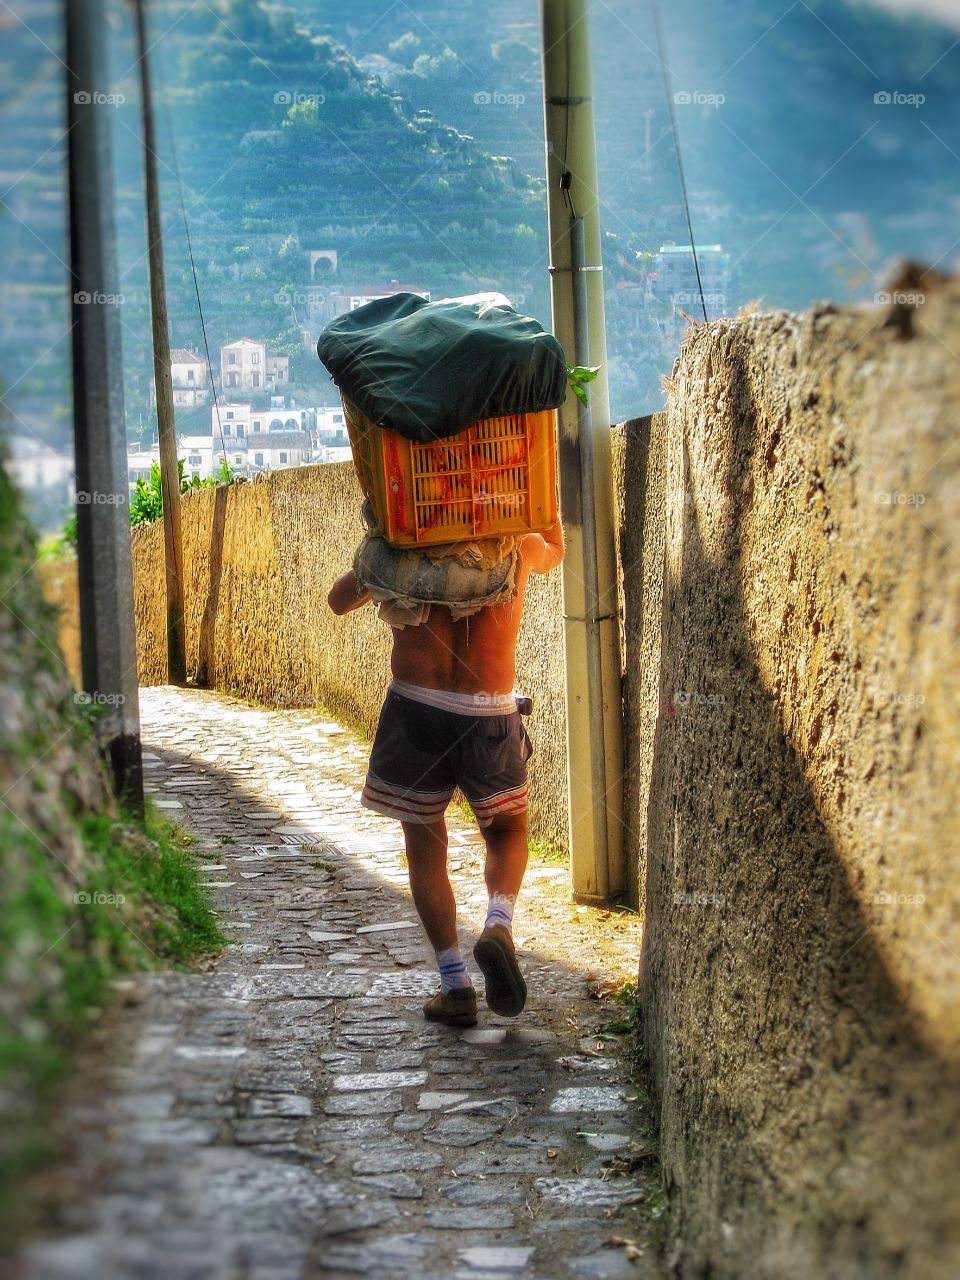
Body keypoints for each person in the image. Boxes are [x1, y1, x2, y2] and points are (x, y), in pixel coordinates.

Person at [327, 517, 564, 1027]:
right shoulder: (516, 544)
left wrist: (385, 558)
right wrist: (545, 508)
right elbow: (556, 550)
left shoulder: (399, 546)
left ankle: (454, 983)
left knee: (425, 847)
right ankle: (498, 923)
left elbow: (338, 600)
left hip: (416, 709)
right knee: (506, 831)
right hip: (488, 711)